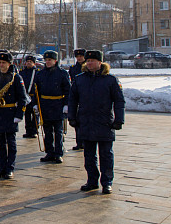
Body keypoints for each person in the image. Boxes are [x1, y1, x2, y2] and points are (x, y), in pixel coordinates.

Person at [68, 50, 125, 194]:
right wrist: (72, 117)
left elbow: (119, 101)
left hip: (104, 122)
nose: (89, 63)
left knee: (106, 155)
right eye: (88, 61)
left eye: (92, 61)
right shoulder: (80, 79)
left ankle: (107, 182)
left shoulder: (110, 80)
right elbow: (73, 100)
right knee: (89, 155)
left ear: (100, 62)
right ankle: (92, 181)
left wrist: (119, 120)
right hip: (86, 122)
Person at [0, 51, 27, 179]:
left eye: (4, 63)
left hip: (10, 113)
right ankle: (1, 168)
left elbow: (22, 98)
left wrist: (19, 114)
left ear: (10, 64)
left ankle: (10, 168)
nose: (1, 65)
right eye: (0, 63)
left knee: (11, 143)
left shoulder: (16, 78)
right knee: (0, 144)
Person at [34, 50, 71, 164]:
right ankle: (49, 152)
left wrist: (66, 104)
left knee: (58, 131)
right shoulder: (40, 74)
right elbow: (36, 91)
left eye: (50, 60)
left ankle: (59, 153)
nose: (48, 62)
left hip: (57, 104)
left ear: (55, 61)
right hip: (45, 105)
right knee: (47, 131)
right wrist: (35, 104)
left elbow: (68, 90)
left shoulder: (62, 73)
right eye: (46, 60)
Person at [68, 48, 87, 150]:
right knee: (76, 121)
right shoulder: (73, 68)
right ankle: (79, 142)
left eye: (81, 56)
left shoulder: (87, 67)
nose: (79, 58)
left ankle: (85, 141)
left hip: (85, 95)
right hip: (76, 94)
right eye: (77, 57)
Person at [18, 55, 39, 139]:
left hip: (34, 96)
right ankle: (28, 131)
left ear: (34, 63)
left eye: (30, 62)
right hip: (25, 96)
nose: (29, 63)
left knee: (35, 115)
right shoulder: (22, 72)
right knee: (27, 115)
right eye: (27, 62)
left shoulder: (37, 72)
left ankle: (34, 131)